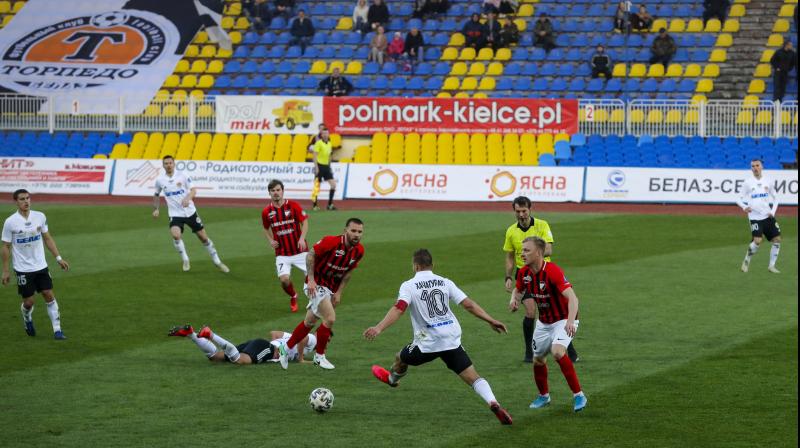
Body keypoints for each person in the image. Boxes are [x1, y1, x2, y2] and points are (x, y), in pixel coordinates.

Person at [364, 249, 513, 426]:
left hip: (427, 344)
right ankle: (493, 402)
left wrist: (379, 327)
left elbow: (399, 308)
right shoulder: (444, 282)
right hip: (451, 338)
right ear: (432, 265)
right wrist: (491, 320)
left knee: (400, 357)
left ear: (415, 266)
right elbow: (469, 305)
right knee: (473, 377)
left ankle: (391, 380)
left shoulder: (409, 285)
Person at [509, 237, 587, 412]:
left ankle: (579, 395)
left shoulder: (552, 271)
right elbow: (518, 289)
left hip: (564, 319)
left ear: (538, 252)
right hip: (544, 322)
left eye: (526, 250)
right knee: (538, 360)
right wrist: (514, 299)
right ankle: (544, 396)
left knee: (558, 351)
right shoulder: (524, 273)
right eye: (522, 250)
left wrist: (569, 322)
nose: (522, 254)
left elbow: (573, 298)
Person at [278, 218, 366, 370]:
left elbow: (348, 272)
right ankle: (319, 357)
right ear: (345, 230)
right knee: (330, 318)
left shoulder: (359, 251)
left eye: (359, 232)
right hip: (316, 284)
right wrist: (311, 280)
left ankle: (285, 348)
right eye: (353, 231)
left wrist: (338, 292)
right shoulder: (330, 241)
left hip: (330, 288)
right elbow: (310, 255)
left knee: (309, 322)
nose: (356, 234)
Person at [503, 196, 578, 363]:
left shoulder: (542, 225)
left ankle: (569, 351)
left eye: (524, 211)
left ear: (530, 209)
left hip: (545, 275)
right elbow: (509, 256)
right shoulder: (511, 231)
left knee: (555, 315)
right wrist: (508, 276)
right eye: (518, 211)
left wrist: (533, 253)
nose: (521, 214)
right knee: (530, 311)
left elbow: (549, 249)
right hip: (524, 275)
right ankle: (530, 352)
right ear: (514, 211)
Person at [2, 189, 69, 340]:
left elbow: (47, 238)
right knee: (29, 302)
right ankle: (27, 317)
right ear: (16, 202)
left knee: (48, 294)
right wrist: (5, 270)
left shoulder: (40, 216)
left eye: (27, 198)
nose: (26, 201)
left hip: (41, 266)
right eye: (22, 199)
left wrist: (58, 258)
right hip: (22, 269)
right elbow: (5, 247)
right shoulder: (10, 222)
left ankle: (57, 330)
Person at [152, 156, 229, 273]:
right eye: (166, 163)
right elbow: (156, 194)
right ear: (163, 165)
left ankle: (217, 261)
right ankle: (185, 259)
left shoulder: (183, 175)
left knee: (203, 238)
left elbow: (193, 190)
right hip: (175, 213)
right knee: (176, 235)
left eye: (170, 163)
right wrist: (156, 208)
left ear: (174, 164)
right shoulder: (160, 180)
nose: (168, 165)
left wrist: (188, 198)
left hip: (190, 212)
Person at [262, 179, 309, 312]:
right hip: (282, 253)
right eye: (273, 191)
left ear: (282, 191)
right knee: (284, 280)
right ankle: (293, 296)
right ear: (269, 193)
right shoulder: (267, 212)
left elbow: (304, 222)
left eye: (278, 190)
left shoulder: (293, 205)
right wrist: (270, 240)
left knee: (313, 277)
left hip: (300, 251)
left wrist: (302, 239)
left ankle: (313, 299)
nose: (276, 193)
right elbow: (265, 228)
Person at [168, 324, 317, 365]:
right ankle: (211, 334)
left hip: (260, 344)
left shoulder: (294, 337)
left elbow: (275, 333)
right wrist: (301, 359)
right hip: (268, 349)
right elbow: (304, 338)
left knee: (215, 357)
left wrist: (287, 345)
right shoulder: (313, 340)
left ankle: (191, 334)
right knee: (240, 361)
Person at [737, 159, 782, 274]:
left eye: (757, 165)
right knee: (757, 241)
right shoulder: (748, 183)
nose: (755, 168)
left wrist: (773, 211)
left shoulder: (768, 181)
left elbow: (776, 198)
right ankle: (746, 261)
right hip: (754, 217)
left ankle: (771, 266)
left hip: (767, 215)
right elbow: (738, 198)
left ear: (762, 166)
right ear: (751, 168)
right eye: (753, 166)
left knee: (777, 239)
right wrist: (744, 207)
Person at [310, 128, 338, 211]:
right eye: (324, 133)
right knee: (317, 186)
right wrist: (316, 167)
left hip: (326, 166)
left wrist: (329, 165)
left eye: (327, 133)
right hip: (319, 165)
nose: (325, 135)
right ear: (321, 135)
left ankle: (330, 205)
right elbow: (314, 155)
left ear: (328, 134)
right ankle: (315, 205)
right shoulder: (318, 143)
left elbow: (329, 155)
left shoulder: (329, 143)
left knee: (333, 185)